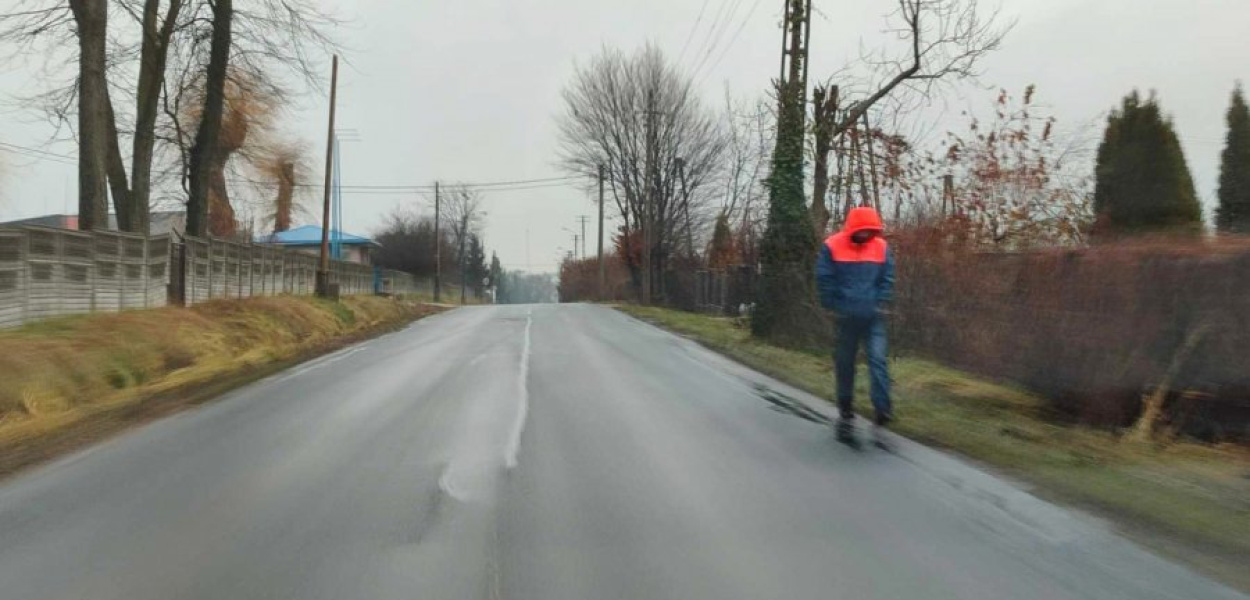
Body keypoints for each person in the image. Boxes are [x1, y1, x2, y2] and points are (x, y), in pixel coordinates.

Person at [815, 206, 895, 448]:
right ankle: (846, 410)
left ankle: (882, 410)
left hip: (873, 317)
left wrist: (882, 301)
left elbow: (888, 278)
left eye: (870, 231)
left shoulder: (881, 247)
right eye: (862, 231)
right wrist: (834, 305)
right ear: (852, 229)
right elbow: (824, 279)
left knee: (878, 361)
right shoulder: (832, 246)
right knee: (845, 365)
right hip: (845, 318)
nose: (866, 236)